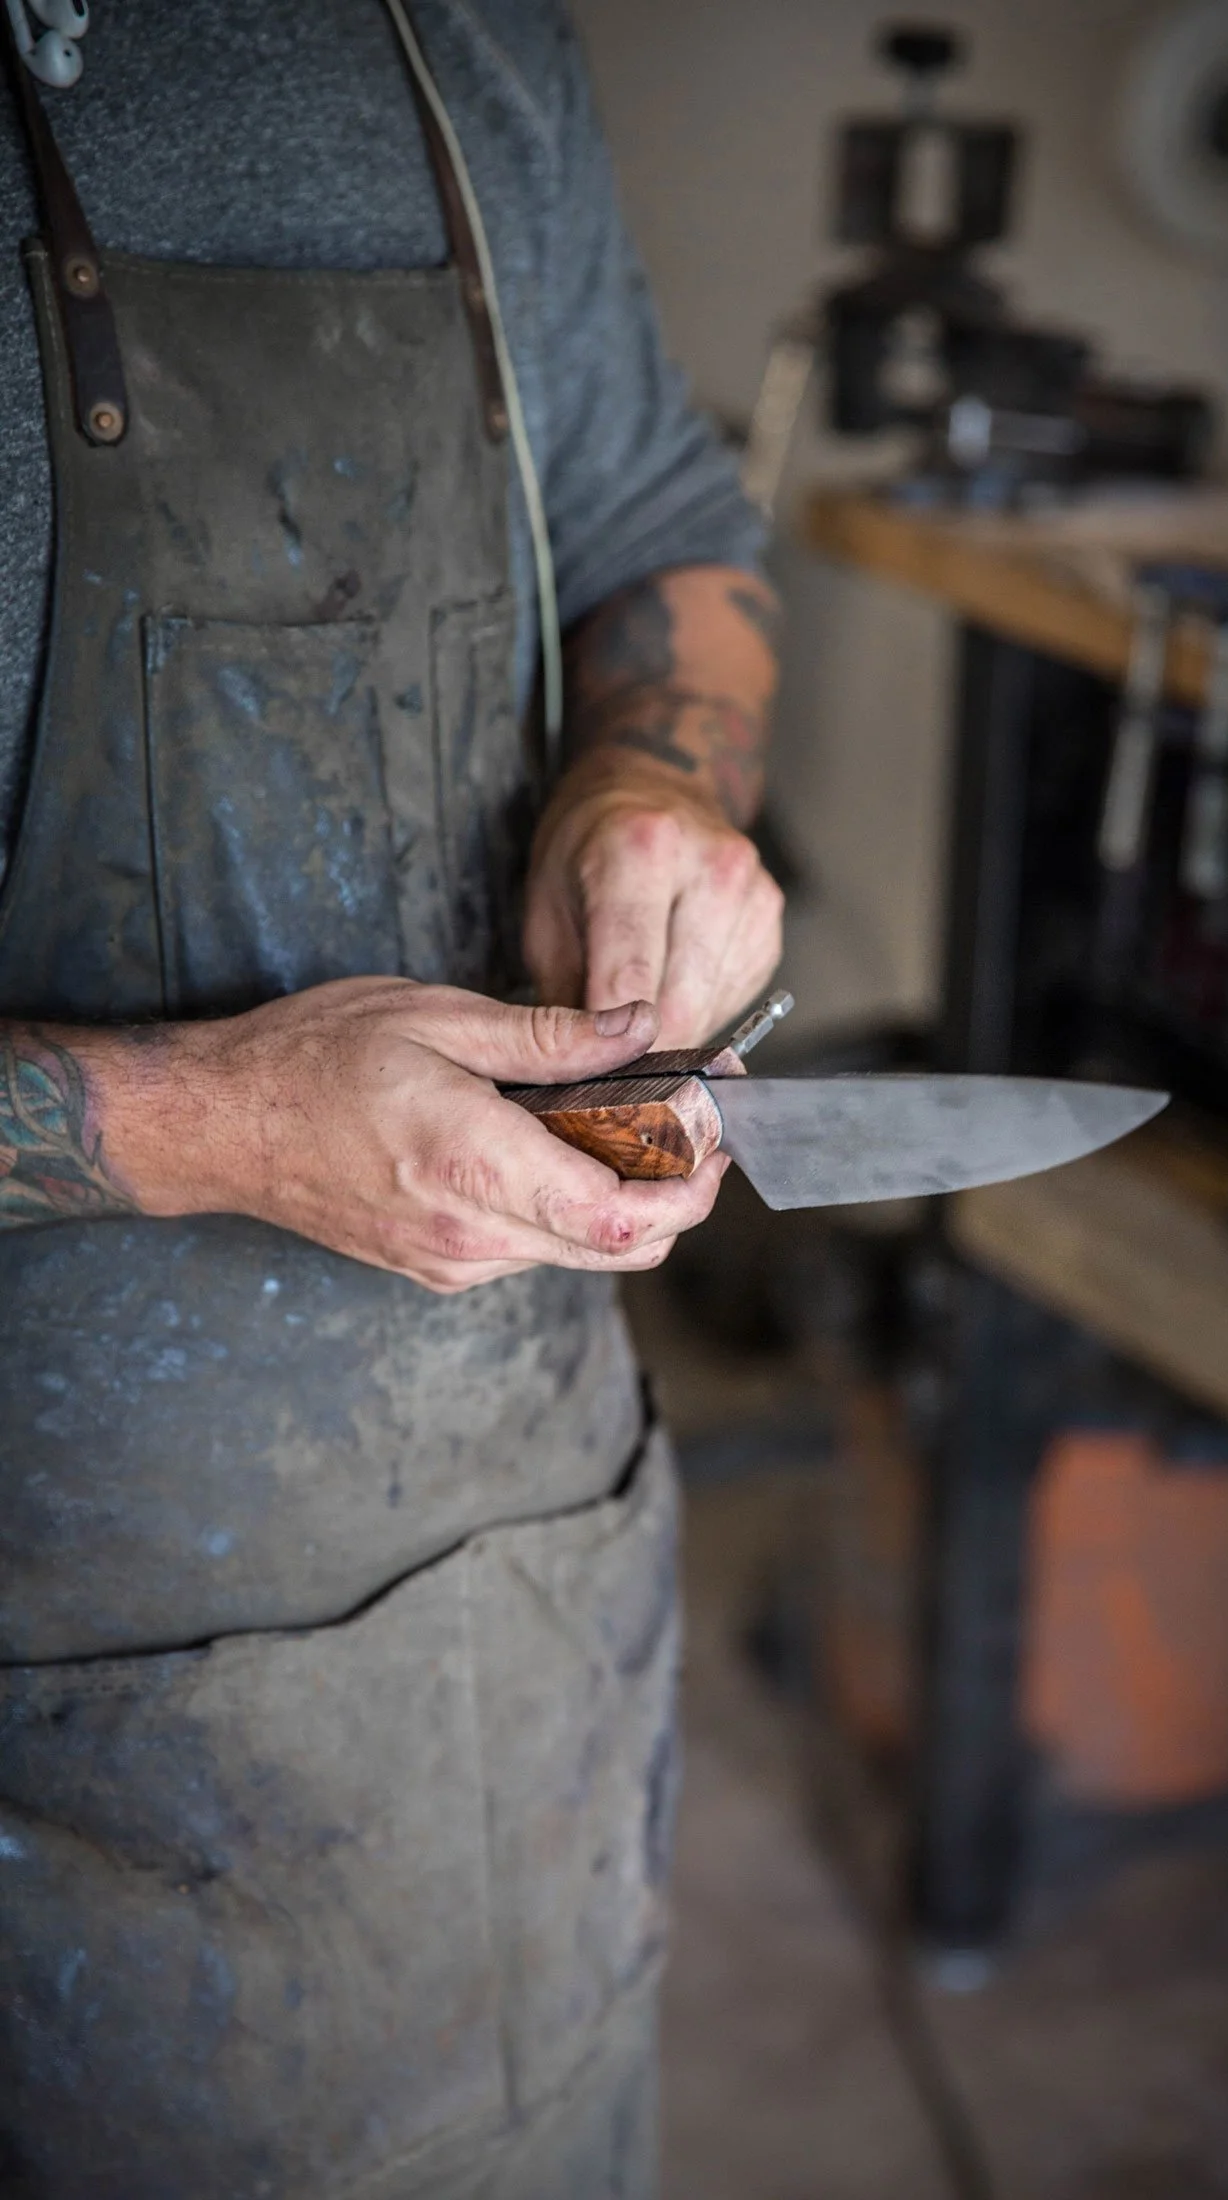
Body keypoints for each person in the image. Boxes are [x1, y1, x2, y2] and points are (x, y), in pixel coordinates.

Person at [0, 2, 782, 2192]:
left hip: (494, 1619)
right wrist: (203, 1119)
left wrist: (650, 774)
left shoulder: (463, 42)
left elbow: (664, 525)